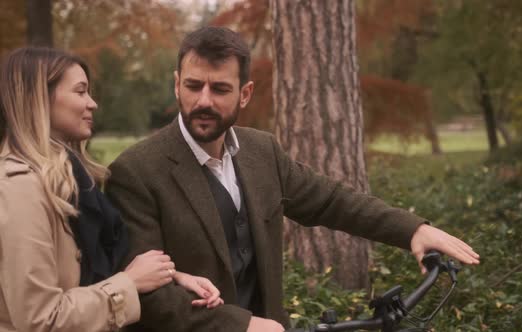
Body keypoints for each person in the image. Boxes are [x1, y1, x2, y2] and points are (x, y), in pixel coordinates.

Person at [106, 26, 480, 332]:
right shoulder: (136, 172)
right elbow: (149, 294)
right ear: (176, 85)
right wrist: (242, 326)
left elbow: (332, 201)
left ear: (244, 94)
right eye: (193, 86)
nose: (203, 101)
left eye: (220, 89)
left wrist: (412, 230)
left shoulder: (261, 151)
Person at [0, 47, 224, 332]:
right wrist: (129, 283)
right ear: (39, 99)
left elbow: (95, 270)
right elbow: (40, 320)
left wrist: (169, 276)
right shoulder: (19, 189)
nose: (92, 103)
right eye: (80, 92)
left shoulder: (71, 182)